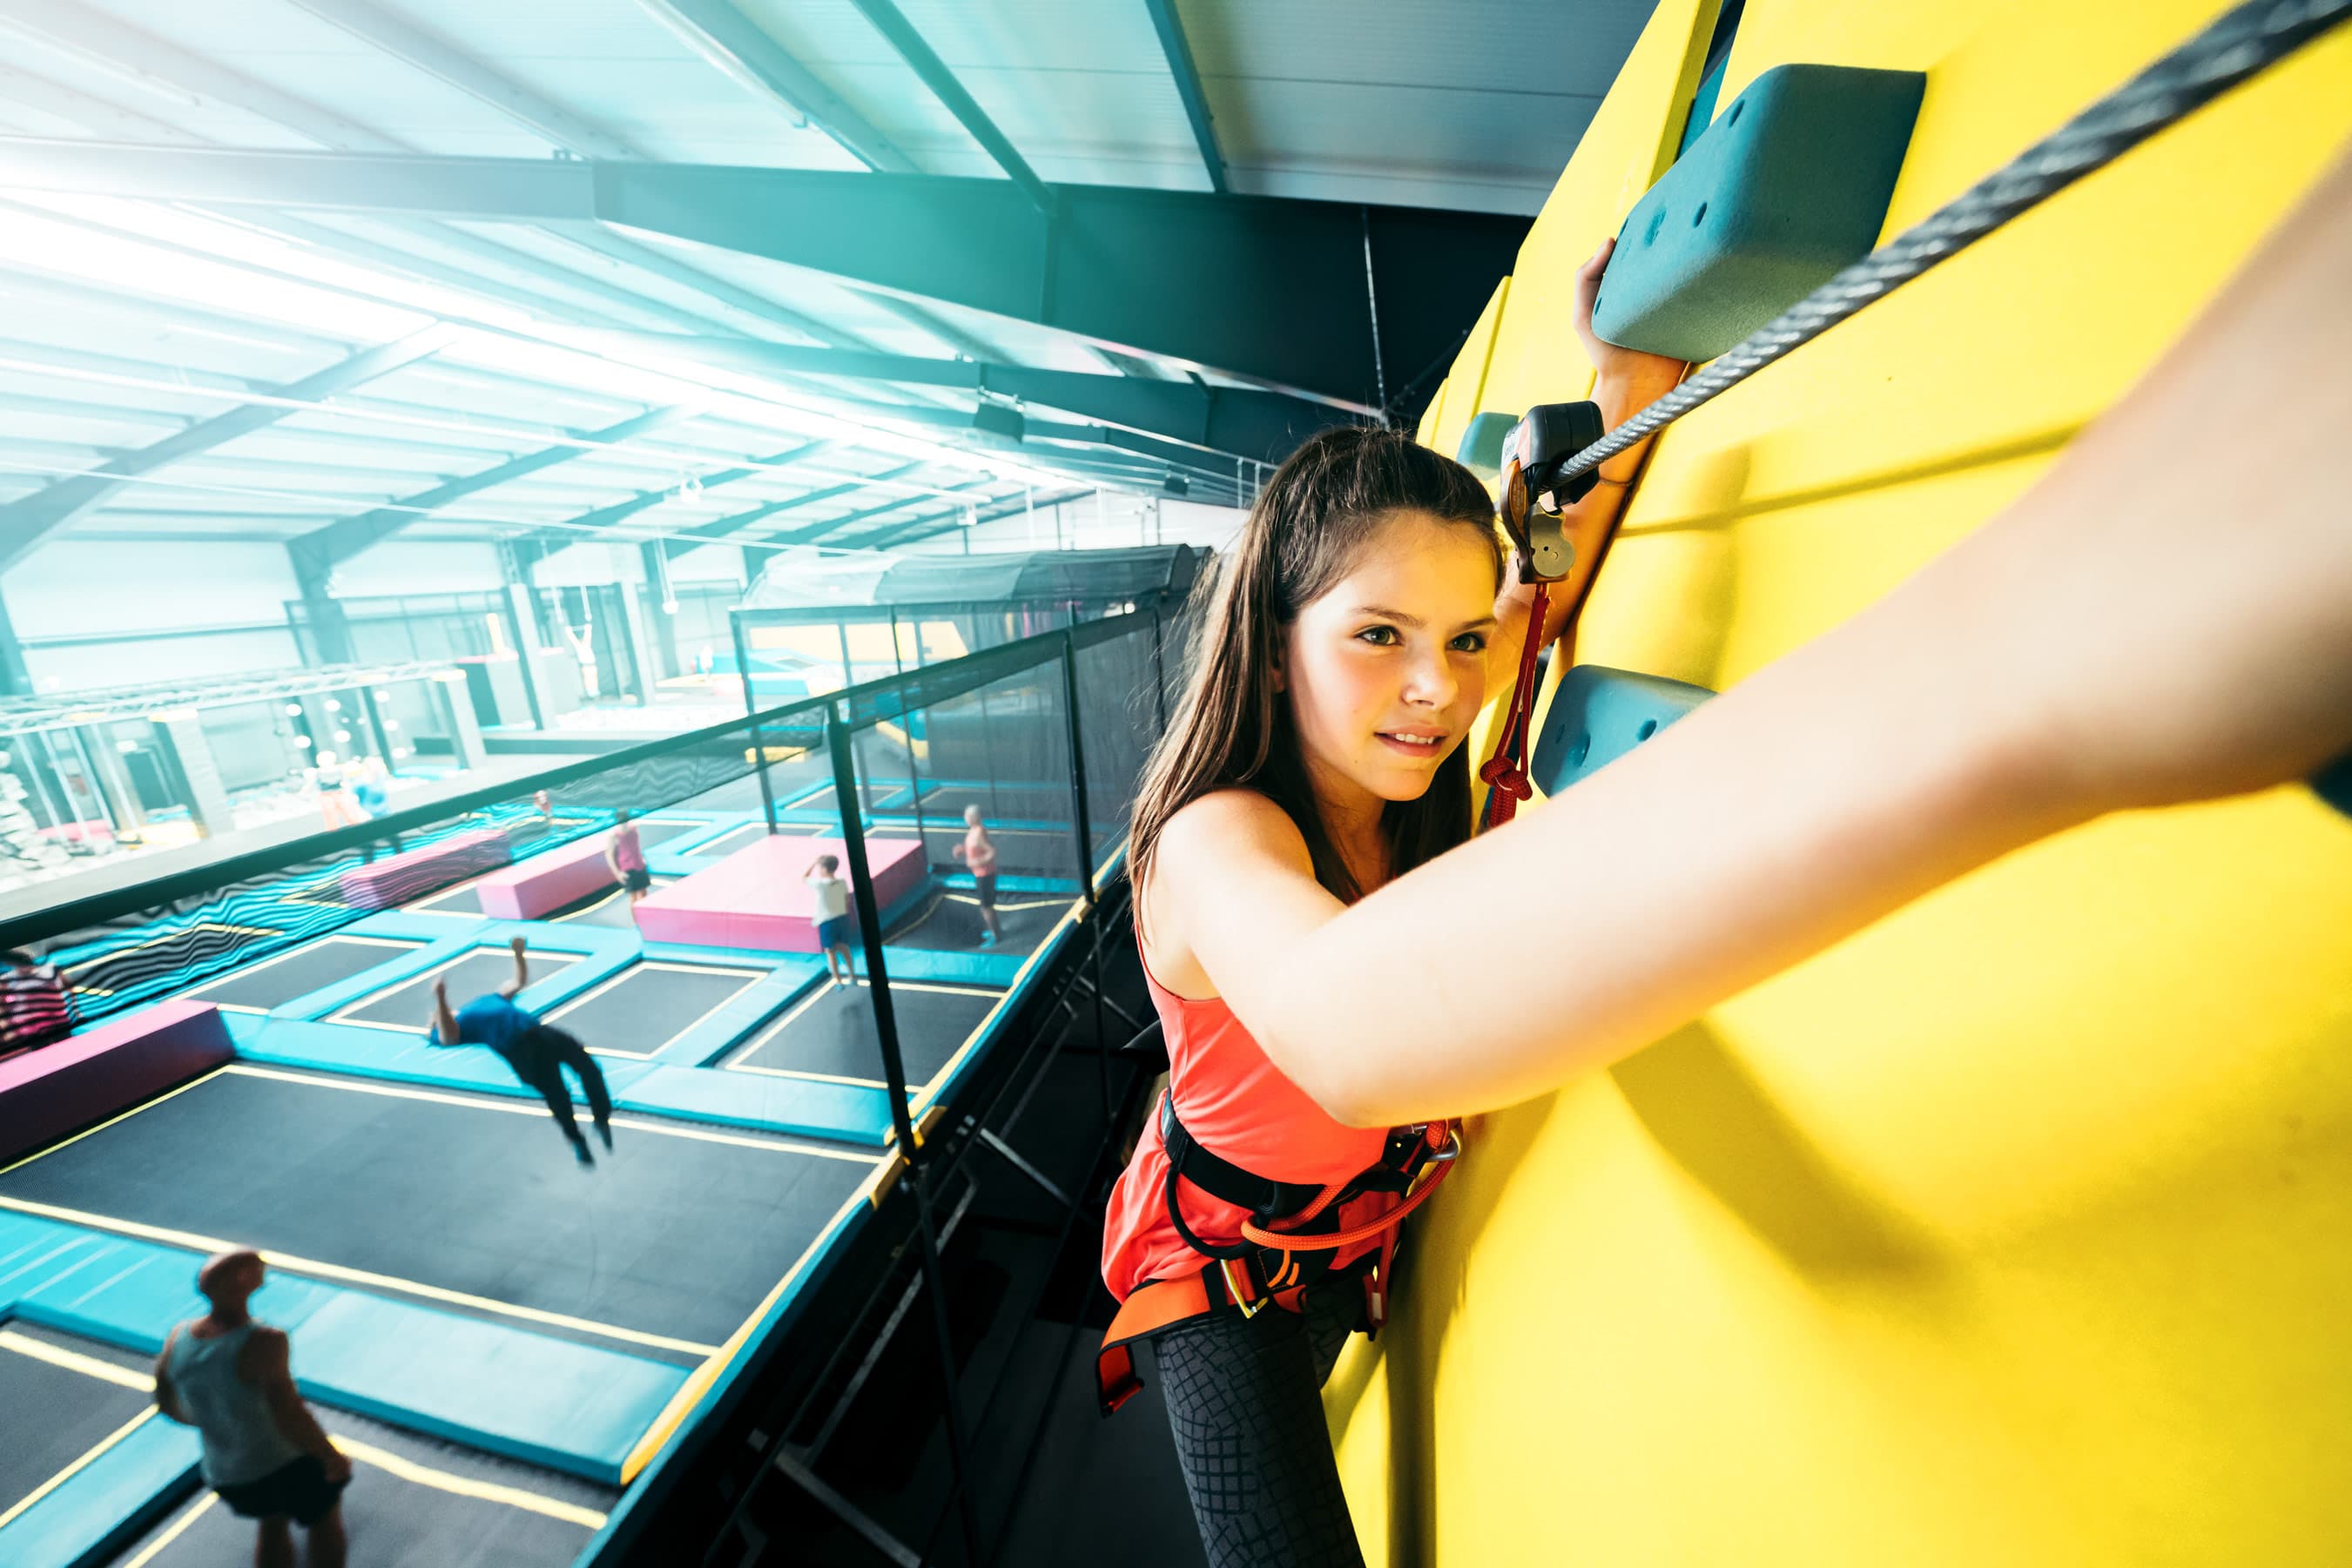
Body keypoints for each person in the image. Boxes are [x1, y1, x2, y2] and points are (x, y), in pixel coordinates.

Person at [1096, 150, 2352, 1568]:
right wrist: (2044, 654)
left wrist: (1622, 382)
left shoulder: (1414, 720)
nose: (1441, 690)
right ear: (1272, 644)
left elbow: (1530, 592)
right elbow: (1341, 1028)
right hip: (1227, 1284)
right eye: (1376, 636)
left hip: (1349, 1228)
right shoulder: (1215, 837)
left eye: (1455, 643)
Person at [153, 1249, 351, 1568]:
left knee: (272, 1521)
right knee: (324, 1520)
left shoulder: (179, 1336)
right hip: (277, 1467)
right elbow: (289, 1415)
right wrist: (329, 1456)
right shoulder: (265, 1341)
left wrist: (220, 1422)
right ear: (245, 1282)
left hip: (225, 1475)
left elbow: (166, 1404)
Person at [428, 935, 614, 1166]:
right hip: (521, 1051)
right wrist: (440, 999)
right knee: (558, 1095)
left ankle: (602, 1118)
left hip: (541, 1032)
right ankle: (576, 1140)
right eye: (435, 1018)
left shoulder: (482, 1001)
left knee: (588, 1068)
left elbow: (517, 982)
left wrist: (518, 954)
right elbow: (449, 1037)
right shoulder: (454, 1028)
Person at [0, 947, 77, 1058]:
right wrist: (7, 1024)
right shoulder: (9, 980)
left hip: (58, 1023)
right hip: (34, 1030)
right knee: (43, 1056)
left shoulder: (50, 969)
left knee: (68, 1051)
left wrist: (75, 1009)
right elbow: (3, 1005)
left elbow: (69, 987)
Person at [951, 805, 1002, 946]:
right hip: (981, 873)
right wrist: (962, 850)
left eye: (967, 816)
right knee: (988, 905)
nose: (965, 819)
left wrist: (977, 861)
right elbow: (974, 848)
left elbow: (992, 852)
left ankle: (995, 935)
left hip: (985, 875)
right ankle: (996, 930)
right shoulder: (974, 830)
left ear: (973, 817)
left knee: (986, 907)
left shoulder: (979, 833)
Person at [805, 854, 855, 985]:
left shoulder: (821, 885)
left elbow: (804, 877)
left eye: (820, 868)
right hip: (842, 918)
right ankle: (852, 976)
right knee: (845, 947)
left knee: (830, 951)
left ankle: (838, 981)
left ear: (825, 869)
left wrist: (814, 863)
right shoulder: (842, 881)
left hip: (827, 921)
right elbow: (846, 899)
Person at [605, 808, 651, 909]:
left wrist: (642, 858)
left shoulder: (634, 828)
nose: (624, 825)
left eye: (625, 822)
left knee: (644, 894)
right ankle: (637, 922)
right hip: (627, 868)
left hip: (639, 864)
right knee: (634, 897)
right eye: (622, 823)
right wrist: (617, 873)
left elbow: (636, 845)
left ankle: (644, 917)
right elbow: (609, 855)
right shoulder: (613, 835)